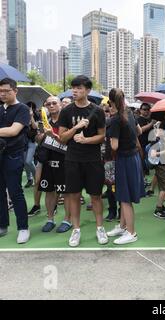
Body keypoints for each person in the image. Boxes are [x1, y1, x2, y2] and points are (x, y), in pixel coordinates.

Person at [59, 75, 108, 247]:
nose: (75, 91)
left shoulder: (97, 111)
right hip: (72, 159)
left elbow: (102, 136)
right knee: (74, 196)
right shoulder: (66, 111)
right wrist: (76, 128)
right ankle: (76, 229)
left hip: (93, 159)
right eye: (73, 88)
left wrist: (86, 140)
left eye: (79, 88)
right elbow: (62, 138)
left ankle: (100, 227)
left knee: (95, 196)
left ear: (87, 90)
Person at [106, 88, 145, 245]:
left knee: (125, 197)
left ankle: (131, 232)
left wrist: (108, 139)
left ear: (111, 102)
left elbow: (114, 146)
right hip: (134, 157)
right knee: (123, 195)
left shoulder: (115, 119)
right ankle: (123, 226)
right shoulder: (129, 112)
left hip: (125, 159)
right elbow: (139, 131)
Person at [0, 78, 31, 243]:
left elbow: (13, 131)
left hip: (13, 156)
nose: (3, 94)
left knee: (15, 192)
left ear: (15, 91)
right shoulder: (0, 109)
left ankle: (23, 228)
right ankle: (3, 225)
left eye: (6, 91)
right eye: (0, 91)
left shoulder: (22, 109)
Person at [37, 96, 72, 233]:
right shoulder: (44, 122)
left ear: (60, 105)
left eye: (54, 103)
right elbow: (38, 138)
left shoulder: (67, 122)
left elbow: (70, 140)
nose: (51, 106)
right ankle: (50, 219)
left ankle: (67, 220)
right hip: (47, 160)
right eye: (48, 104)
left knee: (66, 192)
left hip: (64, 160)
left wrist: (54, 136)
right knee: (49, 191)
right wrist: (42, 136)